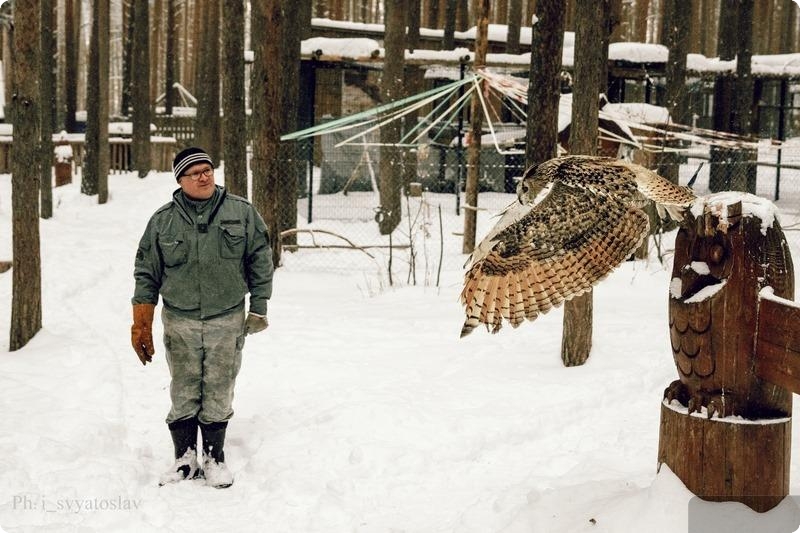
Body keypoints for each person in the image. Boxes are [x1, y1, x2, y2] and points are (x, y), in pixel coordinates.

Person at [130, 147, 273, 488]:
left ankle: (213, 457)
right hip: (180, 320)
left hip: (227, 317)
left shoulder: (241, 213)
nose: (204, 176)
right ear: (180, 180)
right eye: (194, 172)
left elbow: (260, 260)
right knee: (184, 388)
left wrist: (260, 305)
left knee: (220, 387)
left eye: (207, 169)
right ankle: (184, 458)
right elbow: (146, 272)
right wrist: (141, 323)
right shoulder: (162, 221)